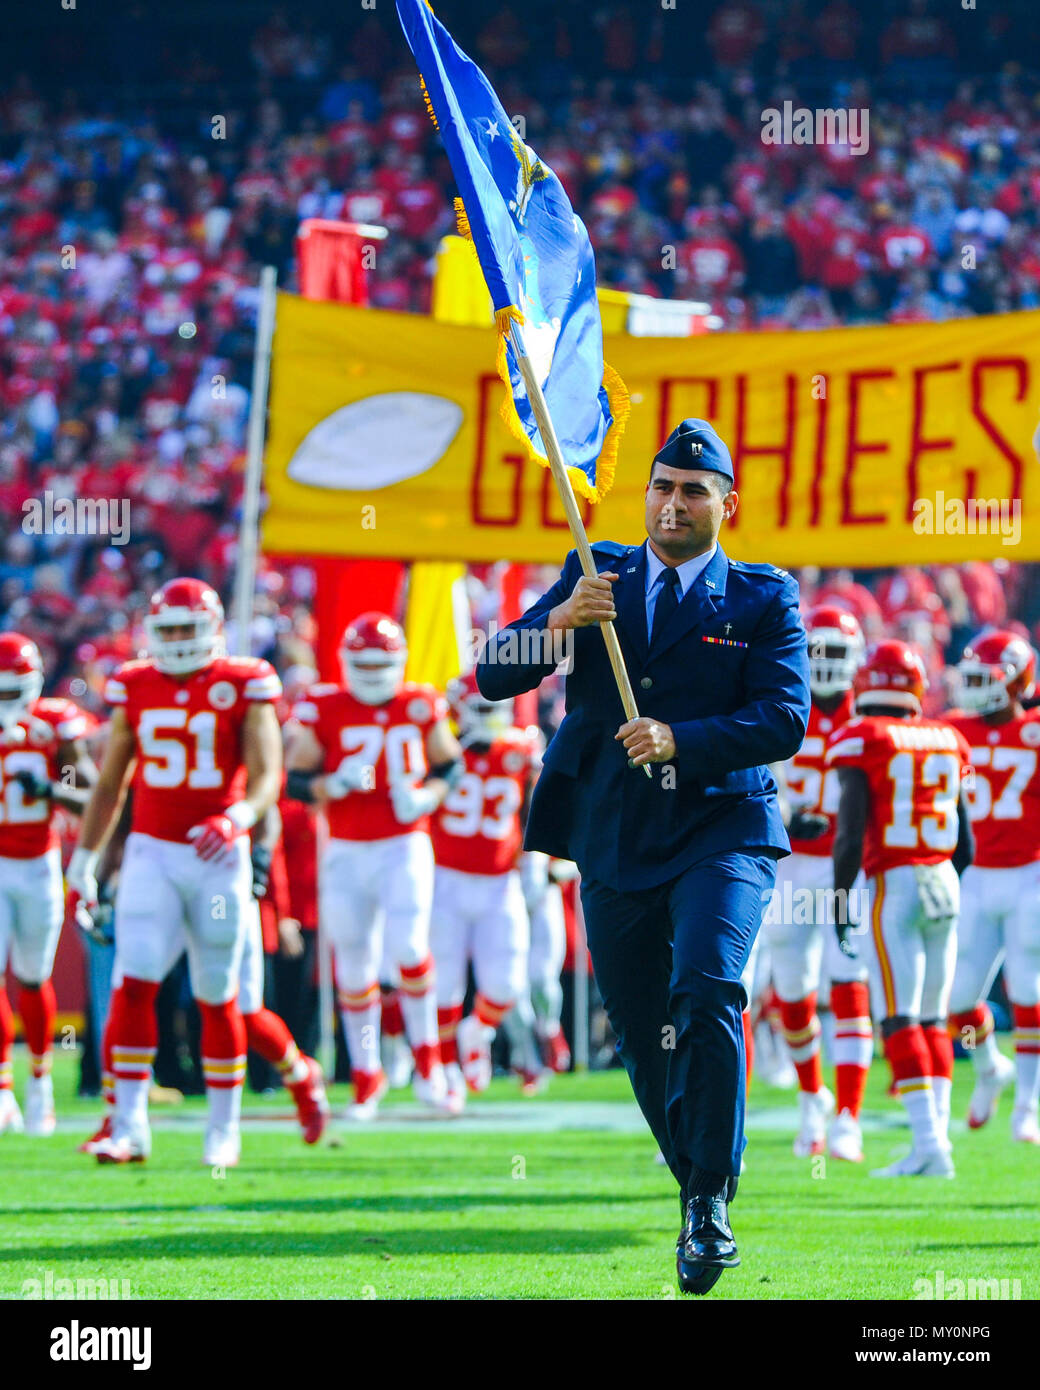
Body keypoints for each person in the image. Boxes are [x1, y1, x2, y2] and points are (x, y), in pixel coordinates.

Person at [476, 418, 810, 1295]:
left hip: (721, 828)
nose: (672, 502)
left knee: (705, 989)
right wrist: (556, 621)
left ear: (726, 504)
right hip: (614, 832)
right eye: (662, 486)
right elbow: (493, 674)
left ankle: (707, 1204)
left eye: (693, 490)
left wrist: (680, 738)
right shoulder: (597, 571)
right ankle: (698, 1173)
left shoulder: (763, 597)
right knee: (640, 1026)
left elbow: (785, 719)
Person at [66, 578, 284, 1167]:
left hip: (218, 852)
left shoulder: (245, 681)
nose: (181, 640)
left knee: (217, 993)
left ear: (213, 629)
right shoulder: (134, 684)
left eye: (190, 628)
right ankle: (130, 1125)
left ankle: (223, 1128)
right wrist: (84, 863)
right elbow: (110, 784)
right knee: (132, 982)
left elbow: (268, 775)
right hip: (152, 852)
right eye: (170, 631)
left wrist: (237, 817)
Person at [285, 612, 463, 1118]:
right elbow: (295, 778)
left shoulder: (419, 702)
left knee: (408, 948)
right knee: (355, 961)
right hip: (344, 846)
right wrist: (327, 786)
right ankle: (367, 1075)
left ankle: (429, 1066)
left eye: (378, 662)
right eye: (361, 662)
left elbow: (449, 765)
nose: (370, 672)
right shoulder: (326, 706)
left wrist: (428, 795)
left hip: (403, 844)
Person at [827, 640, 974, 1178]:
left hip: (896, 879)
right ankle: (936, 1142)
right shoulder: (948, 737)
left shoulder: (862, 736)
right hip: (943, 877)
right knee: (933, 1017)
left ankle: (930, 1144)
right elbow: (969, 844)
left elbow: (848, 836)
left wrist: (842, 901)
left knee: (897, 1016)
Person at [762, 604, 873, 1162]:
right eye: (818, 651)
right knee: (794, 995)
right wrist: (784, 812)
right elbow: (757, 777)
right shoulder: (783, 706)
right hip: (790, 865)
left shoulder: (872, 717)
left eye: (836, 651)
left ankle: (849, 1115)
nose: (826, 663)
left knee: (849, 985)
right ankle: (812, 1099)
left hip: (847, 870)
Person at [429, 671, 540, 1110]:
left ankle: (478, 1031)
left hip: (499, 881)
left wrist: (536, 857)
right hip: (445, 879)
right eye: (482, 709)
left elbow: (535, 807)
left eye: (498, 708)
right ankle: (447, 1074)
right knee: (444, 988)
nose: (492, 719)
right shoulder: (439, 751)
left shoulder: (521, 750)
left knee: (508, 984)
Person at [945, 631, 1040, 1142]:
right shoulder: (953, 728)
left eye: (987, 679)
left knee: (1029, 988)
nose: (977, 689)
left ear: (1018, 682)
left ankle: (1027, 1105)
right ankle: (988, 1066)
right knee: (959, 999)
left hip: (1030, 872)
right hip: (976, 876)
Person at [0, 633, 95, 1136]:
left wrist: (52, 788)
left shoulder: (55, 723)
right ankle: (2, 1090)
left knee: (34, 976)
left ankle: (39, 1086)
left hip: (39, 863)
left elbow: (91, 795)